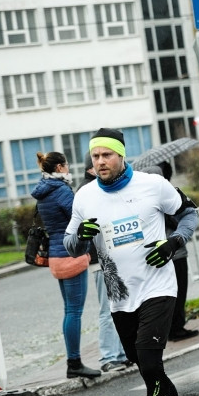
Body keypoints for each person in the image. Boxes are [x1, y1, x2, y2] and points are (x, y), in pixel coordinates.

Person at [65, 128, 199, 396]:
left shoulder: (151, 185)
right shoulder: (84, 196)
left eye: (106, 155)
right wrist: (79, 240)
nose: (100, 162)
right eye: (95, 157)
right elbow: (71, 244)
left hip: (158, 289)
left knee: (150, 363)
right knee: (149, 371)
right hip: (120, 298)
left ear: (121, 155)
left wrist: (174, 243)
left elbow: (190, 213)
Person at [31, 152, 100, 379]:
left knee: (69, 310)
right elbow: (78, 217)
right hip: (71, 255)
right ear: (60, 167)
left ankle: (73, 360)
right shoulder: (60, 191)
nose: (69, 168)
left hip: (56, 256)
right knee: (74, 312)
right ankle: (74, 362)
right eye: (67, 165)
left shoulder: (44, 191)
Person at [81, 153, 130, 372]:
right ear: (90, 168)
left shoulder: (101, 190)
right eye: (97, 160)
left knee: (118, 305)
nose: (102, 164)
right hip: (100, 261)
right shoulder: (89, 193)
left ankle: (120, 354)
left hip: (107, 259)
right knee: (108, 309)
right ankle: (109, 357)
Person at [146, 162, 199, 342]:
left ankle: (169, 329)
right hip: (175, 253)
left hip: (158, 253)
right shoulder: (166, 195)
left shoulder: (143, 198)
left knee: (165, 295)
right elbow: (182, 219)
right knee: (178, 291)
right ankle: (176, 329)